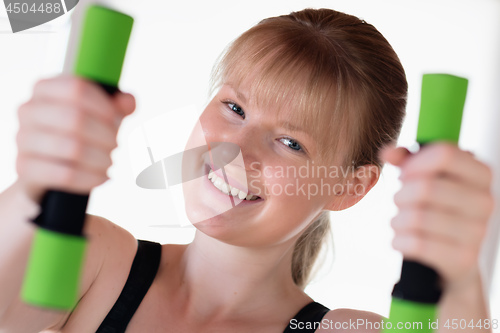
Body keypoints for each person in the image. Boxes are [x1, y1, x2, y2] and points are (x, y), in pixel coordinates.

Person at [0, 7, 494, 333]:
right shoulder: (98, 261)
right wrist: (33, 189)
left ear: (350, 186)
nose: (234, 149)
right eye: (234, 108)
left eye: (290, 142)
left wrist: (460, 279)